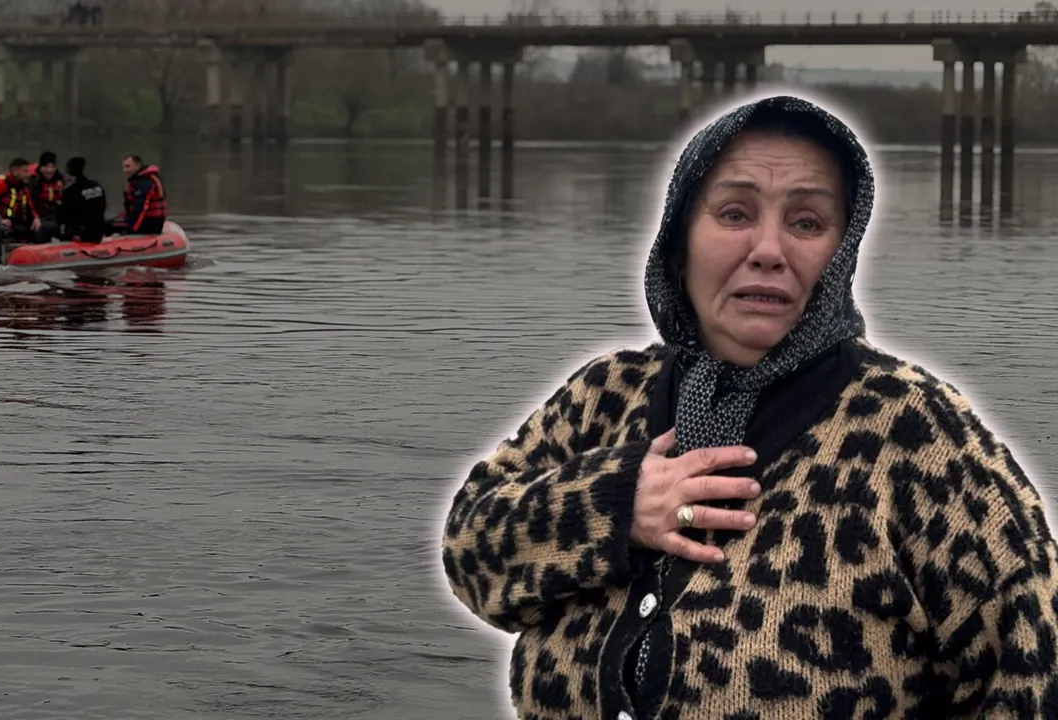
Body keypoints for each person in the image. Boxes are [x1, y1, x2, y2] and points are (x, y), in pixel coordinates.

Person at [439, 95, 1058, 719]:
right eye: (734, 214)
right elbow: (471, 554)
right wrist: (612, 507)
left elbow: (1036, 657)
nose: (769, 249)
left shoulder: (915, 428)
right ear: (679, 242)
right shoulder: (605, 395)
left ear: (841, 255)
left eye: (808, 223)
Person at [0, 158, 40, 242]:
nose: (28, 175)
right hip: (1, 223)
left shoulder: (23, 186)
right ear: (15, 171)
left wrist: (35, 218)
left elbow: (29, 204)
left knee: (36, 230)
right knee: (18, 230)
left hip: (16, 222)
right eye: (25, 171)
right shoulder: (0, 183)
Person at [109, 154, 166, 235]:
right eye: (124, 167)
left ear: (137, 166)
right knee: (110, 223)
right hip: (147, 220)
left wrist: (132, 228)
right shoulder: (140, 180)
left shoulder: (145, 182)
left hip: (151, 223)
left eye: (128, 166)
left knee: (107, 226)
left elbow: (141, 208)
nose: (125, 170)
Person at [58, 156, 107, 243]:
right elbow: (102, 207)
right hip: (99, 230)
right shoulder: (96, 186)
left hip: (83, 234)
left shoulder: (71, 191)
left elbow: (65, 215)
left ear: (70, 174)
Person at [28, 151, 65, 241]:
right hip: (39, 217)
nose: (49, 170)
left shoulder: (61, 180)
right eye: (46, 167)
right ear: (40, 167)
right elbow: (30, 202)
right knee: (41, 229)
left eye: (52, 167)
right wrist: (35, 217)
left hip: (56, 216)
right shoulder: (34, 182)